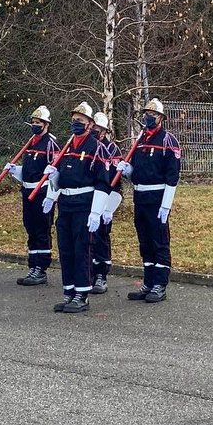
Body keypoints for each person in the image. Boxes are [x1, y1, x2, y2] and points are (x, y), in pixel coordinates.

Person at [43, 101, 110, 314]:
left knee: (82, 250)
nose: (75, 124)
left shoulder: (97, 148)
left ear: (90, 124)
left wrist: (96, 212)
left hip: (84, 204)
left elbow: (102, 182)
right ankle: (69, 291)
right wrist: (54, 182)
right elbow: (63, 177)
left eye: (80, 121)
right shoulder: (67, 146)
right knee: (66, 249)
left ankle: (82, 294)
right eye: (73, 120)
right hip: (66, 204)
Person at [114, 98, 181, 303]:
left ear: (161, 118)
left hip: (157, 197)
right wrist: (127, 172)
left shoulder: (168, 141)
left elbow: (172, 176)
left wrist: (166, 205)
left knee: (159, 241)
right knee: (145, 242)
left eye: (152, 115)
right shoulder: (140, 140)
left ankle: (160, 284)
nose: (148, 118)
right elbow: (138, 173)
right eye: (146, 114)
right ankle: (149, 282)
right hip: (140, 196)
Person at [9, 105, 59, 286]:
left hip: (42, 191)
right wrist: (16, 171)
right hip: (28, 190)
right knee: (30, 228)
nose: (34, 125)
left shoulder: (51, 144)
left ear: (46, 124)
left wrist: (51, 196)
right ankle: (33, 265)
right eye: (33, 122)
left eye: (38, 123)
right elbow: (30, 171)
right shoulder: (30, 143)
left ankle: (41, 268)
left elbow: (55, 173)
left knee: (42, 229)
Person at [90, 111, 120, 294]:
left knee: (101, 237)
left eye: (98, 128)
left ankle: (101, 274)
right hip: (87, 198)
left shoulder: (112, 150)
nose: (95, 131)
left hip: (105, 198)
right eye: (93, 127)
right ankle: (89, 273)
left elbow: (115, 181)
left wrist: (109, 207)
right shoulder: (88, 147)